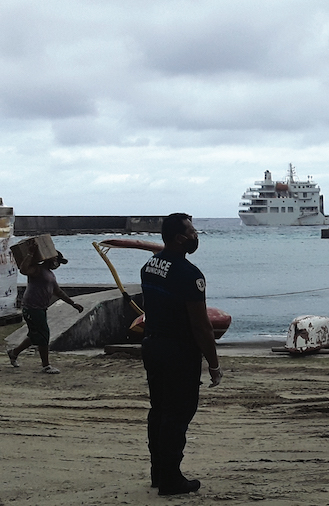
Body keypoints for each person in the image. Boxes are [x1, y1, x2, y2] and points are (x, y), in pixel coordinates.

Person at [140, 213, 222, 496]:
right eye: (192, 231)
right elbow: (201, 326)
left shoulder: (149, 266)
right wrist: (213, 364)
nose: (196, 235)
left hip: (152, 346)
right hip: (178, 352)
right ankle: (171, 479)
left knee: (159, 410)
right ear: (179, 238)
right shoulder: (190, 275)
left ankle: (158, 471)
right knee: (178, 414)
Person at [7, 251, 84, 373]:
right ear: (51, 259)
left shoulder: (50, 274)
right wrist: (29, 254)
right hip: (31, 307)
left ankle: (14, 353)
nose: (58, 265)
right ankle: (46, 365)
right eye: (57, 261)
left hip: (40, 308)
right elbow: (23, 270)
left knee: (35, 335)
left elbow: (58, 292)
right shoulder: (37, 270)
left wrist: (72, 303)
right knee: (44, 334)